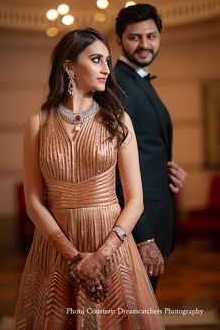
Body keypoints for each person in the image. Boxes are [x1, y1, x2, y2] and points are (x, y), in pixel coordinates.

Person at [13, 28, 165, 330]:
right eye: (97, 59)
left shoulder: (119, 120)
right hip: (57, 247)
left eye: (108, 60)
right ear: (69, 66)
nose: (107, 68)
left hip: (110, 241)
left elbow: (135, 200)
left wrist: (102, 255)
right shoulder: (38, 123)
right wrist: (74, 258)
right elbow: (33, 201)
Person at [114, 4, 187, 292]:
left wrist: (168, 170)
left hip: (153, 213)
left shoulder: (139, 81)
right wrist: (143, 236)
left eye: (151, 36)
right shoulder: (120, 86)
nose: (145, 44)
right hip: (136, 225)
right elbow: (116, 168)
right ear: (119, 40)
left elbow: (144, 151)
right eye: (135, 37)